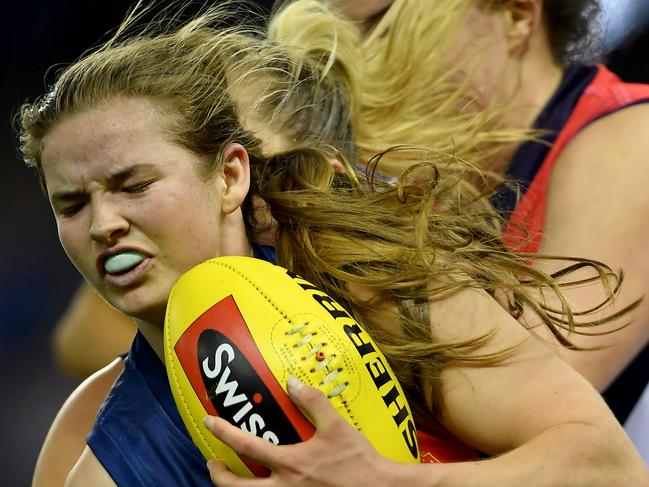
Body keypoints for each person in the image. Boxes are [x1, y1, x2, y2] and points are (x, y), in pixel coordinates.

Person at [21, 2, 647, 486]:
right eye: (70, 205)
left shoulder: (376, 275)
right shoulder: (107, 442)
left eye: (134, 185)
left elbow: (610, 468)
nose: (102, 223)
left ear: (232, 174)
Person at [315, 0, 649, 425]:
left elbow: (534, 396)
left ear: (516, 15)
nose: (358, 68)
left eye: (385, 26)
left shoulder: (632, 139)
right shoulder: (434, 185)